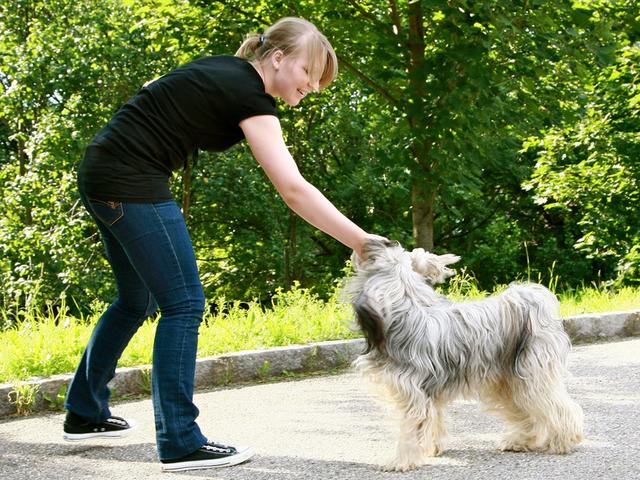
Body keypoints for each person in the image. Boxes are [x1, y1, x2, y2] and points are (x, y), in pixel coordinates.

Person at [63, 16, 384, 472]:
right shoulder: (249, 94)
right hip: (130, 181)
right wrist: (362, 241)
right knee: (184, 304)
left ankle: (85, 410)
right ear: (277, 59)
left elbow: (157, 84)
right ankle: (179, 440)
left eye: (318, 82)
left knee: (137, 299)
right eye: (308, 75)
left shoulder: (223, 70)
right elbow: (292, 188)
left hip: (103, 171)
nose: (311, 87)